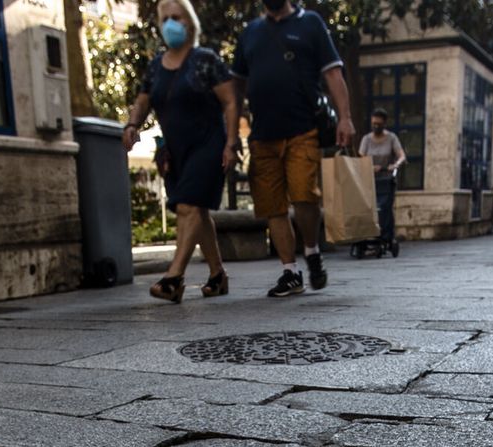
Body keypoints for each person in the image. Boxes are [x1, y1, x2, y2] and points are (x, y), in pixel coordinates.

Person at [231, 0, 354, 297]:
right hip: (262, 136)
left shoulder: (310, 23)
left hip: (303, 130)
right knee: (272, 207)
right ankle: (290, 272)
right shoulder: (250, 32)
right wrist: (231, 134)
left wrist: (346, 118)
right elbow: (235, 88)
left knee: (303, 197)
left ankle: (311, 250)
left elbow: (333, 75)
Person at [122, 0, 238, 302]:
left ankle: (174, 278)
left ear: (190, 22)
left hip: (208, 143)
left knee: (189, 206)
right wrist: (132, 125)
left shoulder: (206, 60)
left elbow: (230, 101)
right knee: (196, 210)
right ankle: (217, 275)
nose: (171, 24)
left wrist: (231, 142)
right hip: (175, 150)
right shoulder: (156, 65)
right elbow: (144, 100)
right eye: (166, 19)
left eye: (177, 17)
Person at [359, 108, 405, 246]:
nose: (376, 127)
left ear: (384, 124)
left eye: (378, 124)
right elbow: (361, 157)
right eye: (373, 124)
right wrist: (370, 167)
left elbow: (401, 155)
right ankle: (367, 236)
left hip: (386, 179)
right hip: (370, 179)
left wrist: (396, 164)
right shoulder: (366, 139)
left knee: (384, 207)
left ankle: (386, 236)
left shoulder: (391, 138)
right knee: (368, 208)